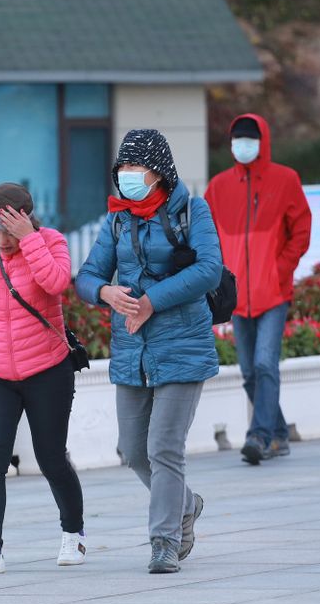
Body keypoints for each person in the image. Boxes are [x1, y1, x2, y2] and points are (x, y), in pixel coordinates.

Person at [76, 129, 223, 574]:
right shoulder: (117, 219)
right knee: (133, 450)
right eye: (121, 169)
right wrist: (104, 292)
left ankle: (164, 541)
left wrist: (151, 301)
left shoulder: (192, 210)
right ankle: (187, 505)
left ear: (158, 172)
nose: (126, 177)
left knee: (164, 447)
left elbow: (210, 269)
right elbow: (85, 276)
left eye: (134, 168)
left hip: (182, 345)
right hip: (131, 349)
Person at [0, 183, 86, 574]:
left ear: (25, 220)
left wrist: (30, 240)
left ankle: (74, 535)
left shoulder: (51, 242)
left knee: (50, 458)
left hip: (48, 368)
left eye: (7, 229)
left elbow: (56, 283)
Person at [205, 114, 311, 466]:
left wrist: (281, 268)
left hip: (273, 293)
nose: (242, 145)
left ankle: (260, 435)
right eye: (237, 139)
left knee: (266, 363)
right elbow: (205, 235)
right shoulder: (219, 187)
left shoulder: (286, 179)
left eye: (249, 139)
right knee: (249, 370)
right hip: (237, 297)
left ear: (262, 142)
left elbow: (301, 230)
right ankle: (278, 433)